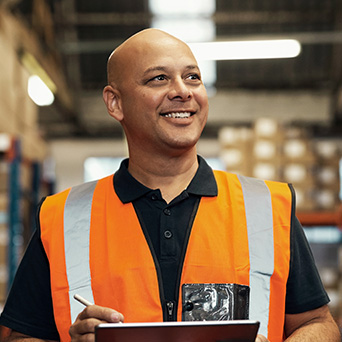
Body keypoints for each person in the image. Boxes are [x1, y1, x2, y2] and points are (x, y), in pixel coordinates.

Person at [0, 29, 340, 342]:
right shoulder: (61, 218)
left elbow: (319, 324)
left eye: (192, 77)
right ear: (114, 102)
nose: (182, 91)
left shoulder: (268, 206)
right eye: (159, 78)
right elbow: (18, 336)